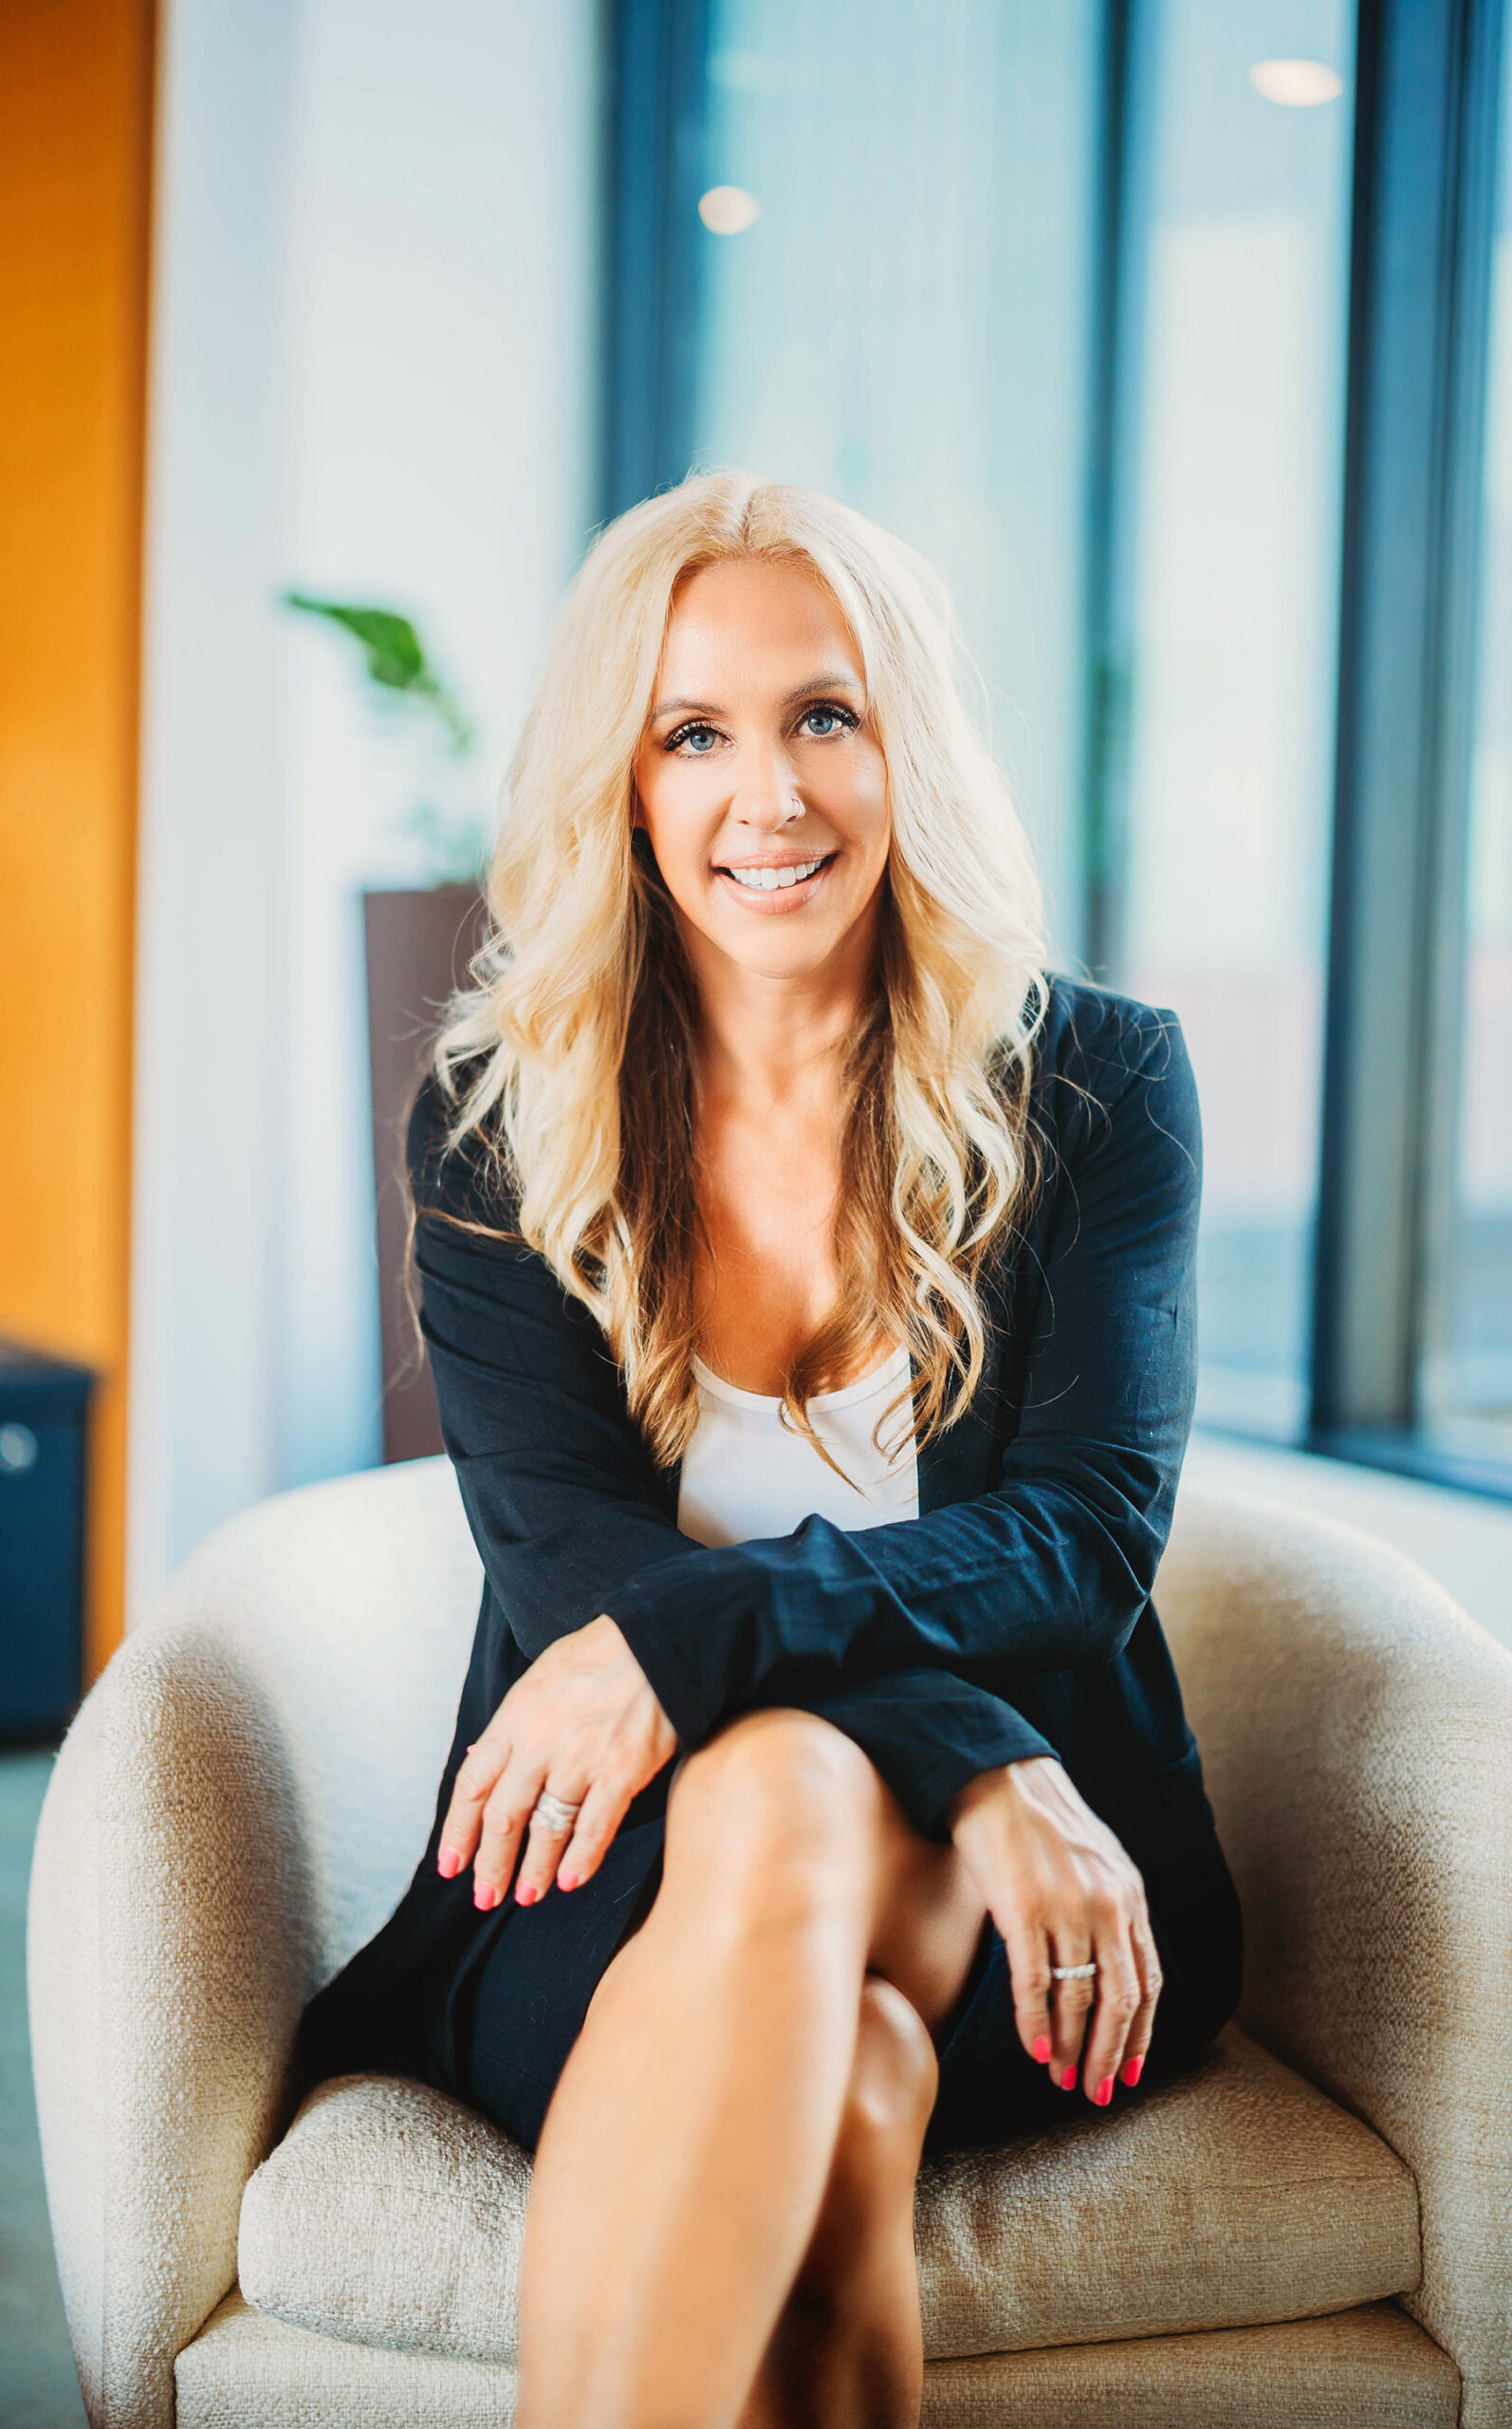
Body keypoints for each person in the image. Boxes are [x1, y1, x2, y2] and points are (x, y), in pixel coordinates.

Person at [298, 471, 1243, 2429]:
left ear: (908, 739)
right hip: (615, 1881)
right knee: (832, 2001)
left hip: (1023, 1921)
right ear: (622, 785)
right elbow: (569, 1566)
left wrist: (759, 1677)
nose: (771, 793)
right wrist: (976, 1748)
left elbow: (1080, 1534)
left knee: (802, 1785)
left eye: (825, 712)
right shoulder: (500, 1119)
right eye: (693, 731)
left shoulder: (1094, 1079)